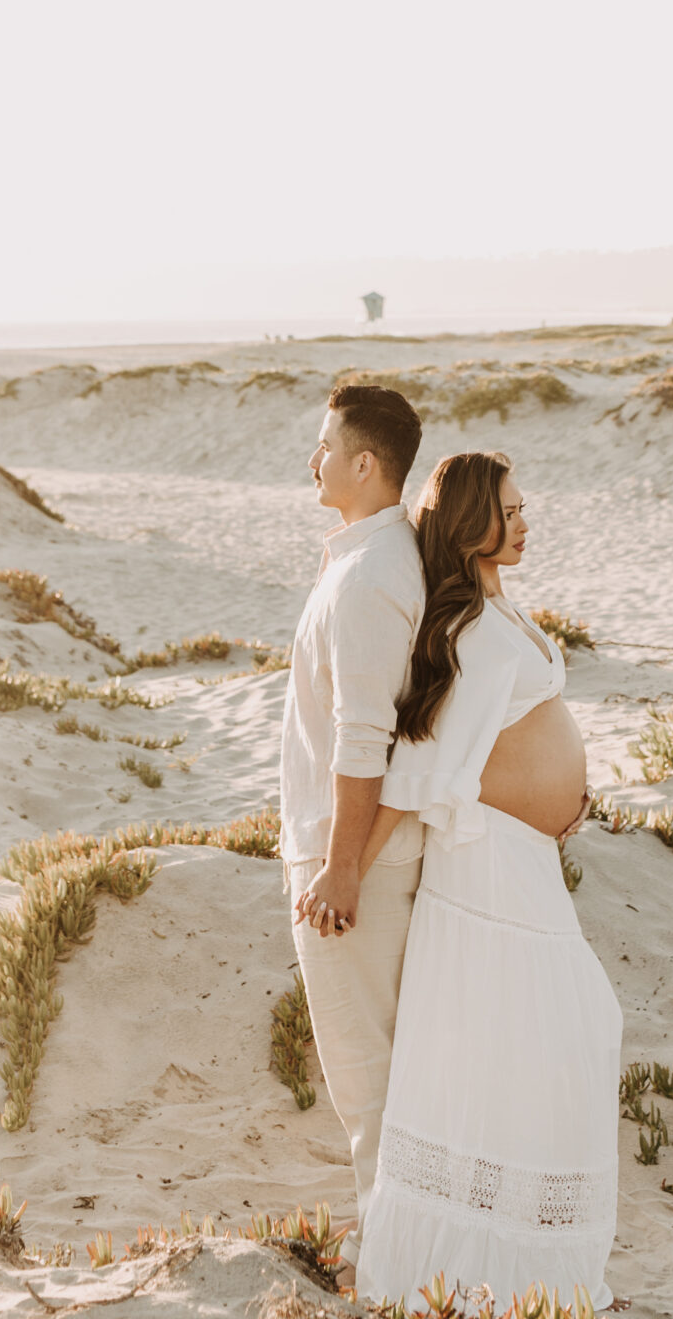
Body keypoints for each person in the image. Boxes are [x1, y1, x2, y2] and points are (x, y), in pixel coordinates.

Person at [349, 450, 621, 1311]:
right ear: (472, 523)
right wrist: (346, 873)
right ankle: (473, 1273)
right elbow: (422, 767)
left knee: (544, 1044)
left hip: (526, 858)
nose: (527, 518)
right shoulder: (465, 628)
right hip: (489, 873)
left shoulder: (495, 607)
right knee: (531, 1045)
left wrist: (564, 797)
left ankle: (523, 1269)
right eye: (511, 507)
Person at [279, 380, 427, 1289]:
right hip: (351, 856)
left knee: (368, 1086)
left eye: (326, 446)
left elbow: (364, 735)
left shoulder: (372, 576)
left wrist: (340, 868)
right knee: (379, 1080)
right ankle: (404, 1262)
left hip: (351, 871)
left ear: (365, 465)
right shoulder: (370, 559)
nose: (314, 459)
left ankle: (393, 1277)